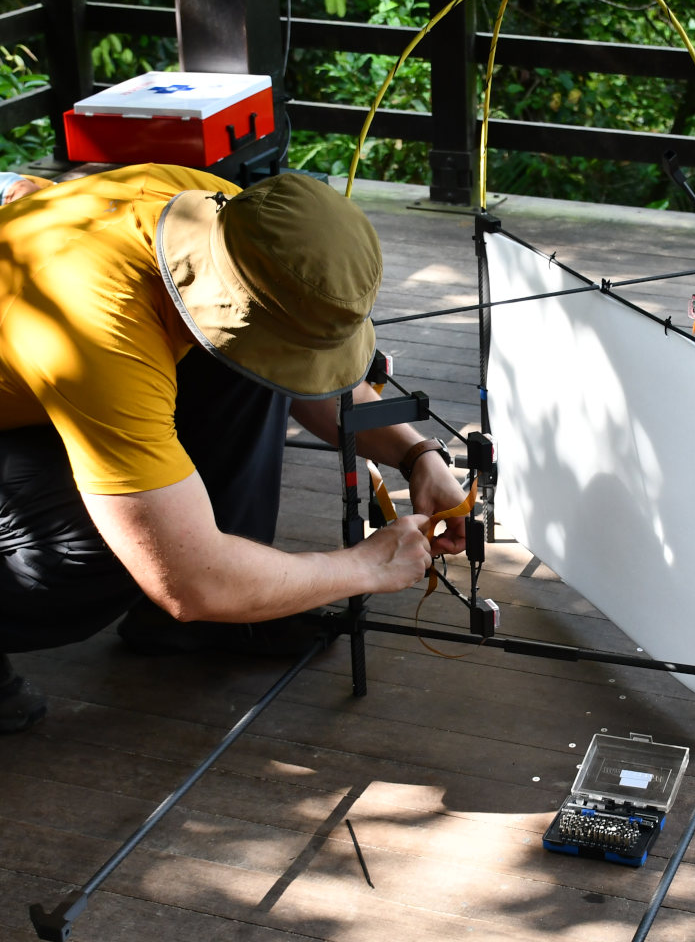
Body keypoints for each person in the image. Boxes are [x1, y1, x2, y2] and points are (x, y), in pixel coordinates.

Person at [0, 164, 468, 732]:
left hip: (37, 380)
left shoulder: (225, 218)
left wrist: (418, 455)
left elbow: (303, 375)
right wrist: (363, 566)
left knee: (243, 368)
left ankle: (221, 618)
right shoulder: (101, 327)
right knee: (96, 548)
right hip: (59, 363)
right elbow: (187, 580)